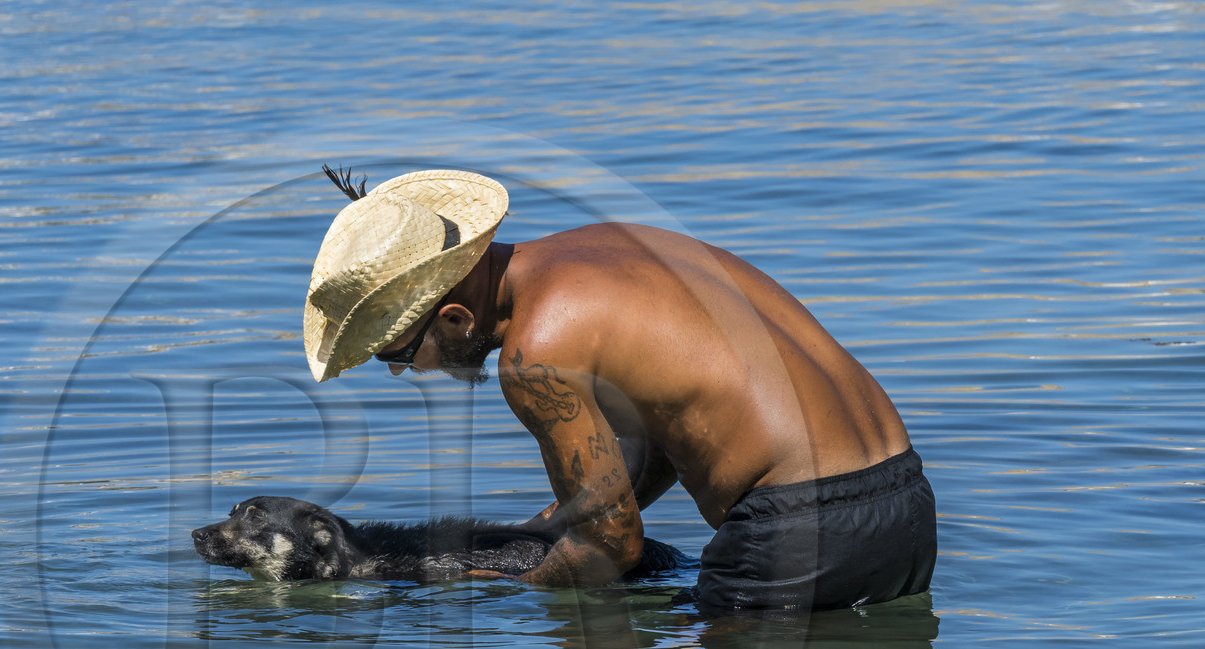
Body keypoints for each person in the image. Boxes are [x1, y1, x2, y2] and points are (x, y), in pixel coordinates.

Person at [303, 167, 936, 612]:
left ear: (455, 319)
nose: (403, 372)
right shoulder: (619, 247)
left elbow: (612, 546)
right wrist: (544, 531)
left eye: (400, 354)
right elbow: (672, 433)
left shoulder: (536, 355)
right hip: (906, 506)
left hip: (796, 535)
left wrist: (508, 590)